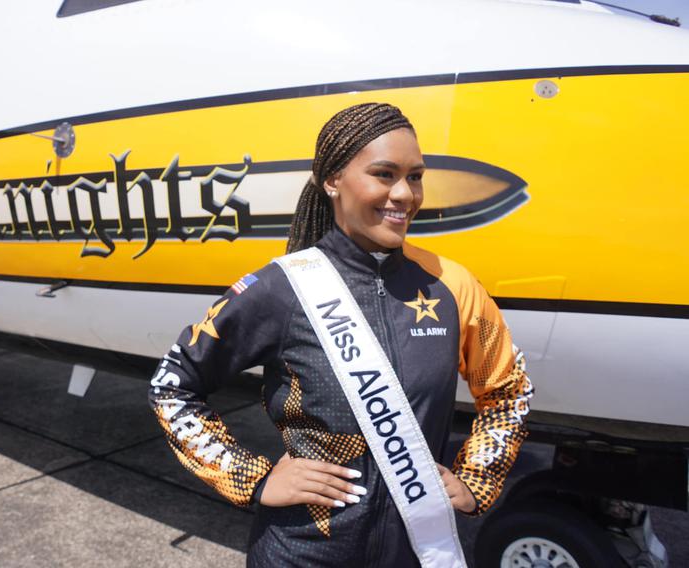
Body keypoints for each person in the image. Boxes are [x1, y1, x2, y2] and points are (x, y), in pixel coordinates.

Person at [148, 103, 534, 567]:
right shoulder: (281, 287)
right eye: (384, 173)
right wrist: (251, 477)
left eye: (415, 176)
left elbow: (509, 392)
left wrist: (477, 480)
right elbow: (172, 385)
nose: (404, 194)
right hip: (300, 553)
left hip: (413, 553)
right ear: (332, 181)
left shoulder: (452, 285)